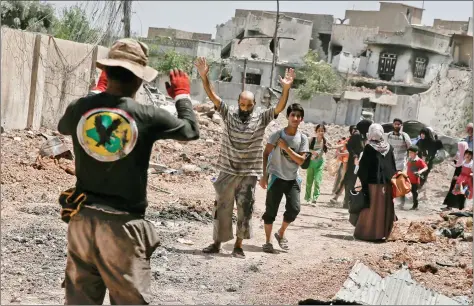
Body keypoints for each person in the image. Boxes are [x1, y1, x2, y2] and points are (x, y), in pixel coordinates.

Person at [57, 38, 200, 305]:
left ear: (106, 73)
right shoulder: (147, 115)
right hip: (122, 227)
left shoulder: (81, 107)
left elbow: (63, 127)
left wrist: (95, 94)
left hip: (82, 220)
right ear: (139, 80)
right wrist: (181, 96)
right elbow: (190, 130)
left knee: (79, 300)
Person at [194, 57, 296, 258]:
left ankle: (238, 246)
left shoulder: (261, 119)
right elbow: (213, 96)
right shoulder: (228, 114)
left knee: (245, 210)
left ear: (254, 105)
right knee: (222, 208)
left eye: (249, 105)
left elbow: (279, 108)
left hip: (249, 174)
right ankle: (217, 243)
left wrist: (286, 89)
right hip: (227, 171)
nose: (245, 108)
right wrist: (204, 77)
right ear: (238, 103)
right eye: (242, 104)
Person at [260, 103, 309, 252]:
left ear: (301, 119)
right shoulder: (277, 135)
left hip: (293, 178)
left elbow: (301, 161)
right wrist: (264, 176)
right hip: (276, 177)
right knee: (271, 211)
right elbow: (266, 154)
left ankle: (280, 233)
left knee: (294, 209)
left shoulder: (303, 139)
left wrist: (286, 148)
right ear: (287, 116)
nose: (295, 118)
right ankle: (268, 242)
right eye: (292, 115)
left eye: (298, 116)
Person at [352, 123, 397, 241]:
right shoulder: (389, 147)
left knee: (370, 207)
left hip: (372, 184)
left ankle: (367, 233)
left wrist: (361, 180)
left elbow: (363, 168)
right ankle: (381, 234)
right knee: (383, 208)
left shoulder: (369, 147)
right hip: (386, 185)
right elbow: (392, 167)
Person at [341, 119, 372, 209]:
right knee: (351, 181)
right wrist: (354, 156)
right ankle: (346, 202)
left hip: (360, 160)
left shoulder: (362, 134)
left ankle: (351, 201)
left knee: (355, 182)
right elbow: (348, 146)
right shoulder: (357, 134)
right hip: (354, 161)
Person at [386, 118, 412, 207]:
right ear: (393, 125)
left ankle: (402, 202)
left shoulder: (405, 136)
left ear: (401, 126)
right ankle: (390, 200)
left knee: (400, 182)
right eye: (395, 124)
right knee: (390, 182)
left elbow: (410, 148)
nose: (397, 125)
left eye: (398, 124)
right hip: (390, 163)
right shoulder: (389, 135)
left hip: (401, 163)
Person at [331, 125, 356, 204]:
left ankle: (339, 198)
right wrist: (332, 147)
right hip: (346, 162)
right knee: (343, 179)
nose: (355, 131)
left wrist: (341, 154)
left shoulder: (358, 140)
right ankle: (338, 197)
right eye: (354, 130)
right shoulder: (350, 139)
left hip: (353, 164)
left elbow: (350, 153)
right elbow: (343, 145)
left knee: (345, 180)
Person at [305, 123, 329, 204]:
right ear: (316, 131)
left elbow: (332, 146)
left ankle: (315, 199)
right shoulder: (311, 139)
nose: (320, 132)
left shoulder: (325, 141)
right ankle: (308, 198)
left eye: (322, 131)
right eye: (319, 131)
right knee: (309, 181)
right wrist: (313, 152)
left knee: (317, 181)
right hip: (311, 162)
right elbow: (306, 148)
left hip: (320, 163)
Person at [443, 142, 469, 210]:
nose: (458, 148)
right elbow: (457, 162)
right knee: (453, 190)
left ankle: (460, 207)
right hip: (456, 174)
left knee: (460, 191)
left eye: (459, 147)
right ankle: (449, 206)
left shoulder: (468, 158)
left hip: (461, 177)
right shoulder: (460, 154)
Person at [406, 146, 428, 210]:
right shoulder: (409, 159)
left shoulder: (419, 160)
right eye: (409, 152)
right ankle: (402, 203)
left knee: (414, 192)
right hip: (408, 178)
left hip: (414, 179)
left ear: (416, 153)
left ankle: (415, 205)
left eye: (411, 152)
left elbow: (426, 167)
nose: (410, 154)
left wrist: (420, 171)